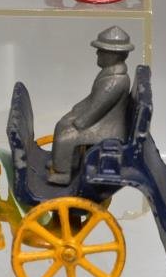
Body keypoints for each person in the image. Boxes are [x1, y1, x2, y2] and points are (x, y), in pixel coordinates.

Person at [48, 26, 134, 184]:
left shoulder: (115, 81)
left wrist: (80, 123)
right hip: (102, 120)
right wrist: (76, 110)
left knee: (65, 136)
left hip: (108, 127)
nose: (97, 53)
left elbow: (98, 109)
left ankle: (63, 173)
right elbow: (93, 99)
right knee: (62, 123)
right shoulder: (109, 74)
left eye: (102, 51)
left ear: (114, 55)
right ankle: (66, 160)